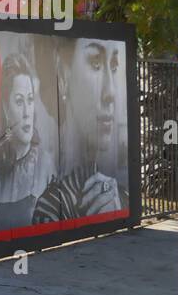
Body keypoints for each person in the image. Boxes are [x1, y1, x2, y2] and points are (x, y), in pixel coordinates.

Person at [33, 37, 127, 223]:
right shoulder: (49, 208)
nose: (110, 93)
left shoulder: (120, 195)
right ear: (63, 75)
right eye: (96, 63)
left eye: (114, 66)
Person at [0, 51, 57, 229]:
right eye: (19, 102)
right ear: (5, 107)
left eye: (30, 100)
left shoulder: (46, 165)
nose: (27, 112)